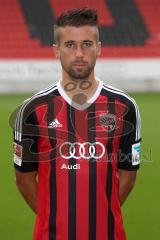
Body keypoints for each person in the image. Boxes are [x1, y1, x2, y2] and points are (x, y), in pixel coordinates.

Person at [13, 8, 141, 240]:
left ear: (99, 48)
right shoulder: (32, 109)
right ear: (56, 50)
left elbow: (128, 176)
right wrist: (55, 218)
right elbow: (23, 180)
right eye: (70, 45)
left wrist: (100, 212)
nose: (79, 53)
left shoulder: (124, 106)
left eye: (87, 44)